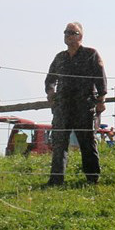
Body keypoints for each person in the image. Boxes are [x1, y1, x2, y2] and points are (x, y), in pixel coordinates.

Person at [45, 22, 106, 185]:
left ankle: (92, 179)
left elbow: (100, 78)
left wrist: (101, 100)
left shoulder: (90, 54)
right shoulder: (60, 58)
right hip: (63, 107)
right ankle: (56, 180)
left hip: (84, 105)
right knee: (59, 143)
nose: (68, 35)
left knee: (87, 142)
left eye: (72, 32)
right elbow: (50, 79)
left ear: (80, 36)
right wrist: (51, 92)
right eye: (66, 32)